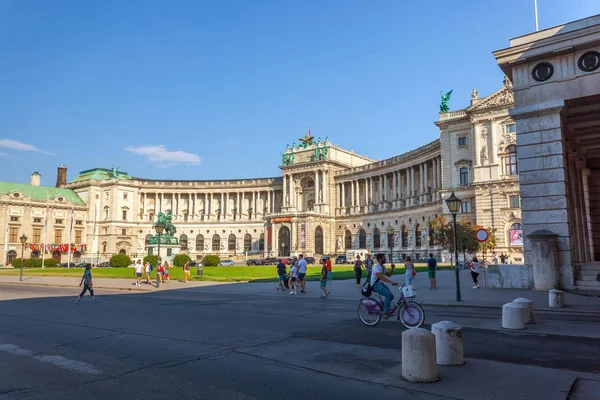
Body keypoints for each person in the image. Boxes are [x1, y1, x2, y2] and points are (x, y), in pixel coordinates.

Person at [371, 253, 397, 317]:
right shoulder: (376, 267)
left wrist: (392, 269)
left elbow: (388, 274)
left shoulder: (383, 267)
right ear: (380, 259)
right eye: (384, 258)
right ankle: (385, 312)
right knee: (388, 295)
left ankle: (383, 306)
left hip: (380, 284)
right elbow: (380, 277)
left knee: (391, 296)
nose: (385, 259)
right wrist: (390, 282)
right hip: (375, 285)